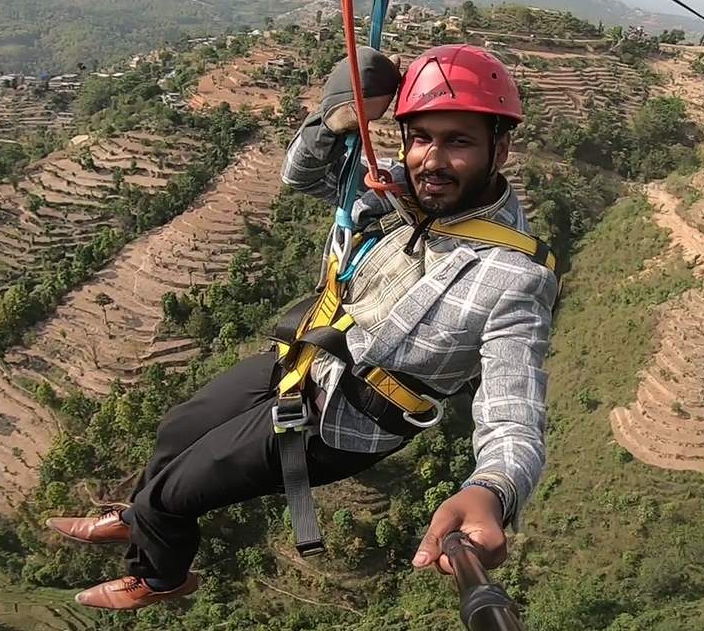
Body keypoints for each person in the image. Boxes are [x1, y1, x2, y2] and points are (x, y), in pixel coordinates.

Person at [45, 44, 559, 611]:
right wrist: (335, 113)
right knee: (176, 429)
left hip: (344, 417)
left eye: (458, 141)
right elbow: (303, 173)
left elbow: (515, 413)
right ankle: (137, 519)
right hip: (302, 360)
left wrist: (494, 490)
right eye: (420, 138)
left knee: (175, 493)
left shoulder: (514, 276)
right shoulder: (395, 194)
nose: (432, 160)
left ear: (500, 148)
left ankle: (160, 575)